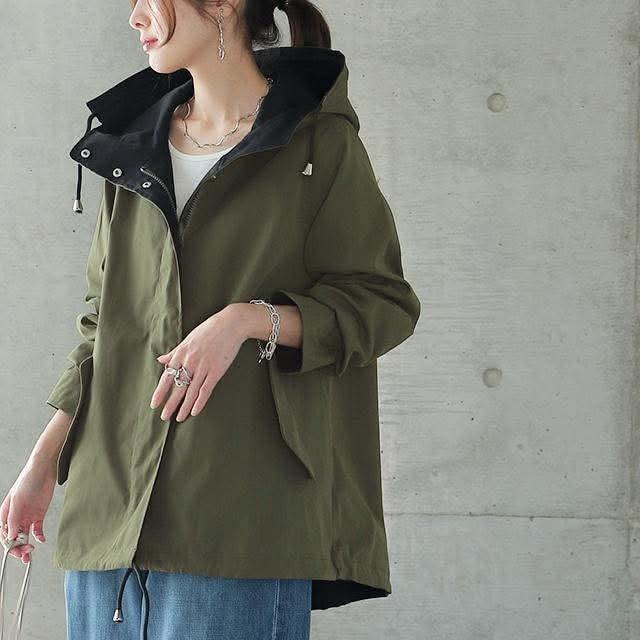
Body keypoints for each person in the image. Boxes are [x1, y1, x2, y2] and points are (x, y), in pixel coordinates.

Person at [0, 0, 422, 638]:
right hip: (109, 511)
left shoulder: (316, 143)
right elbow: (102, 329)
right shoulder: (131, 150)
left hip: (239, 517)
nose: (136, 17)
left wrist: (249, 320)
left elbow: (382, 303)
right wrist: (42, 463)